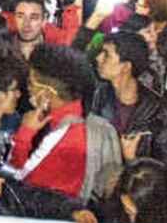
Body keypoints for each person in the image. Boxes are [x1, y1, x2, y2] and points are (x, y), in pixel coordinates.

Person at [8, 44, 121, 203]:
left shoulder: (63, 137)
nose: (27, 90)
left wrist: (24, 134)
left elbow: (16, 181)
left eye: (30, 84)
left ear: (47, 92)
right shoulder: (84, 119)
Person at [91, 31, 167, 163]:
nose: (98, 58)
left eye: (107, 55)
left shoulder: (159, 112)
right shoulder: (96, 97)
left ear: (126, 66)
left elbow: (164, 164)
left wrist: (132, 160)